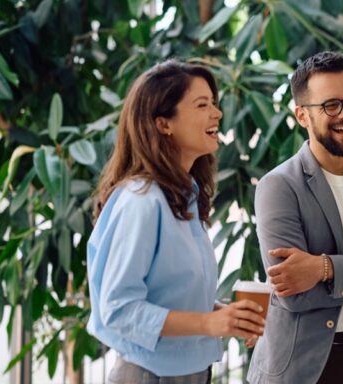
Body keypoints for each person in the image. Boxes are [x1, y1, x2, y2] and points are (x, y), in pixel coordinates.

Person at [87, 60, 265, 383]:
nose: (217, 113)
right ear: (163, 123)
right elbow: (119, 309)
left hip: (193, 373)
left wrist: (225, 317)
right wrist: (210, 324)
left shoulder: (186, 197)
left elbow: (168, 298)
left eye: (214, 103)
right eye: (202, 105)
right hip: (149, 376)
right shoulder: (142, 201)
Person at [246, 51, 343, 384]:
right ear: (302, 116)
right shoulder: (278, 185)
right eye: (331, 105)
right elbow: (294, 294)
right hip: (299, 366)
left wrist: (323, 268)